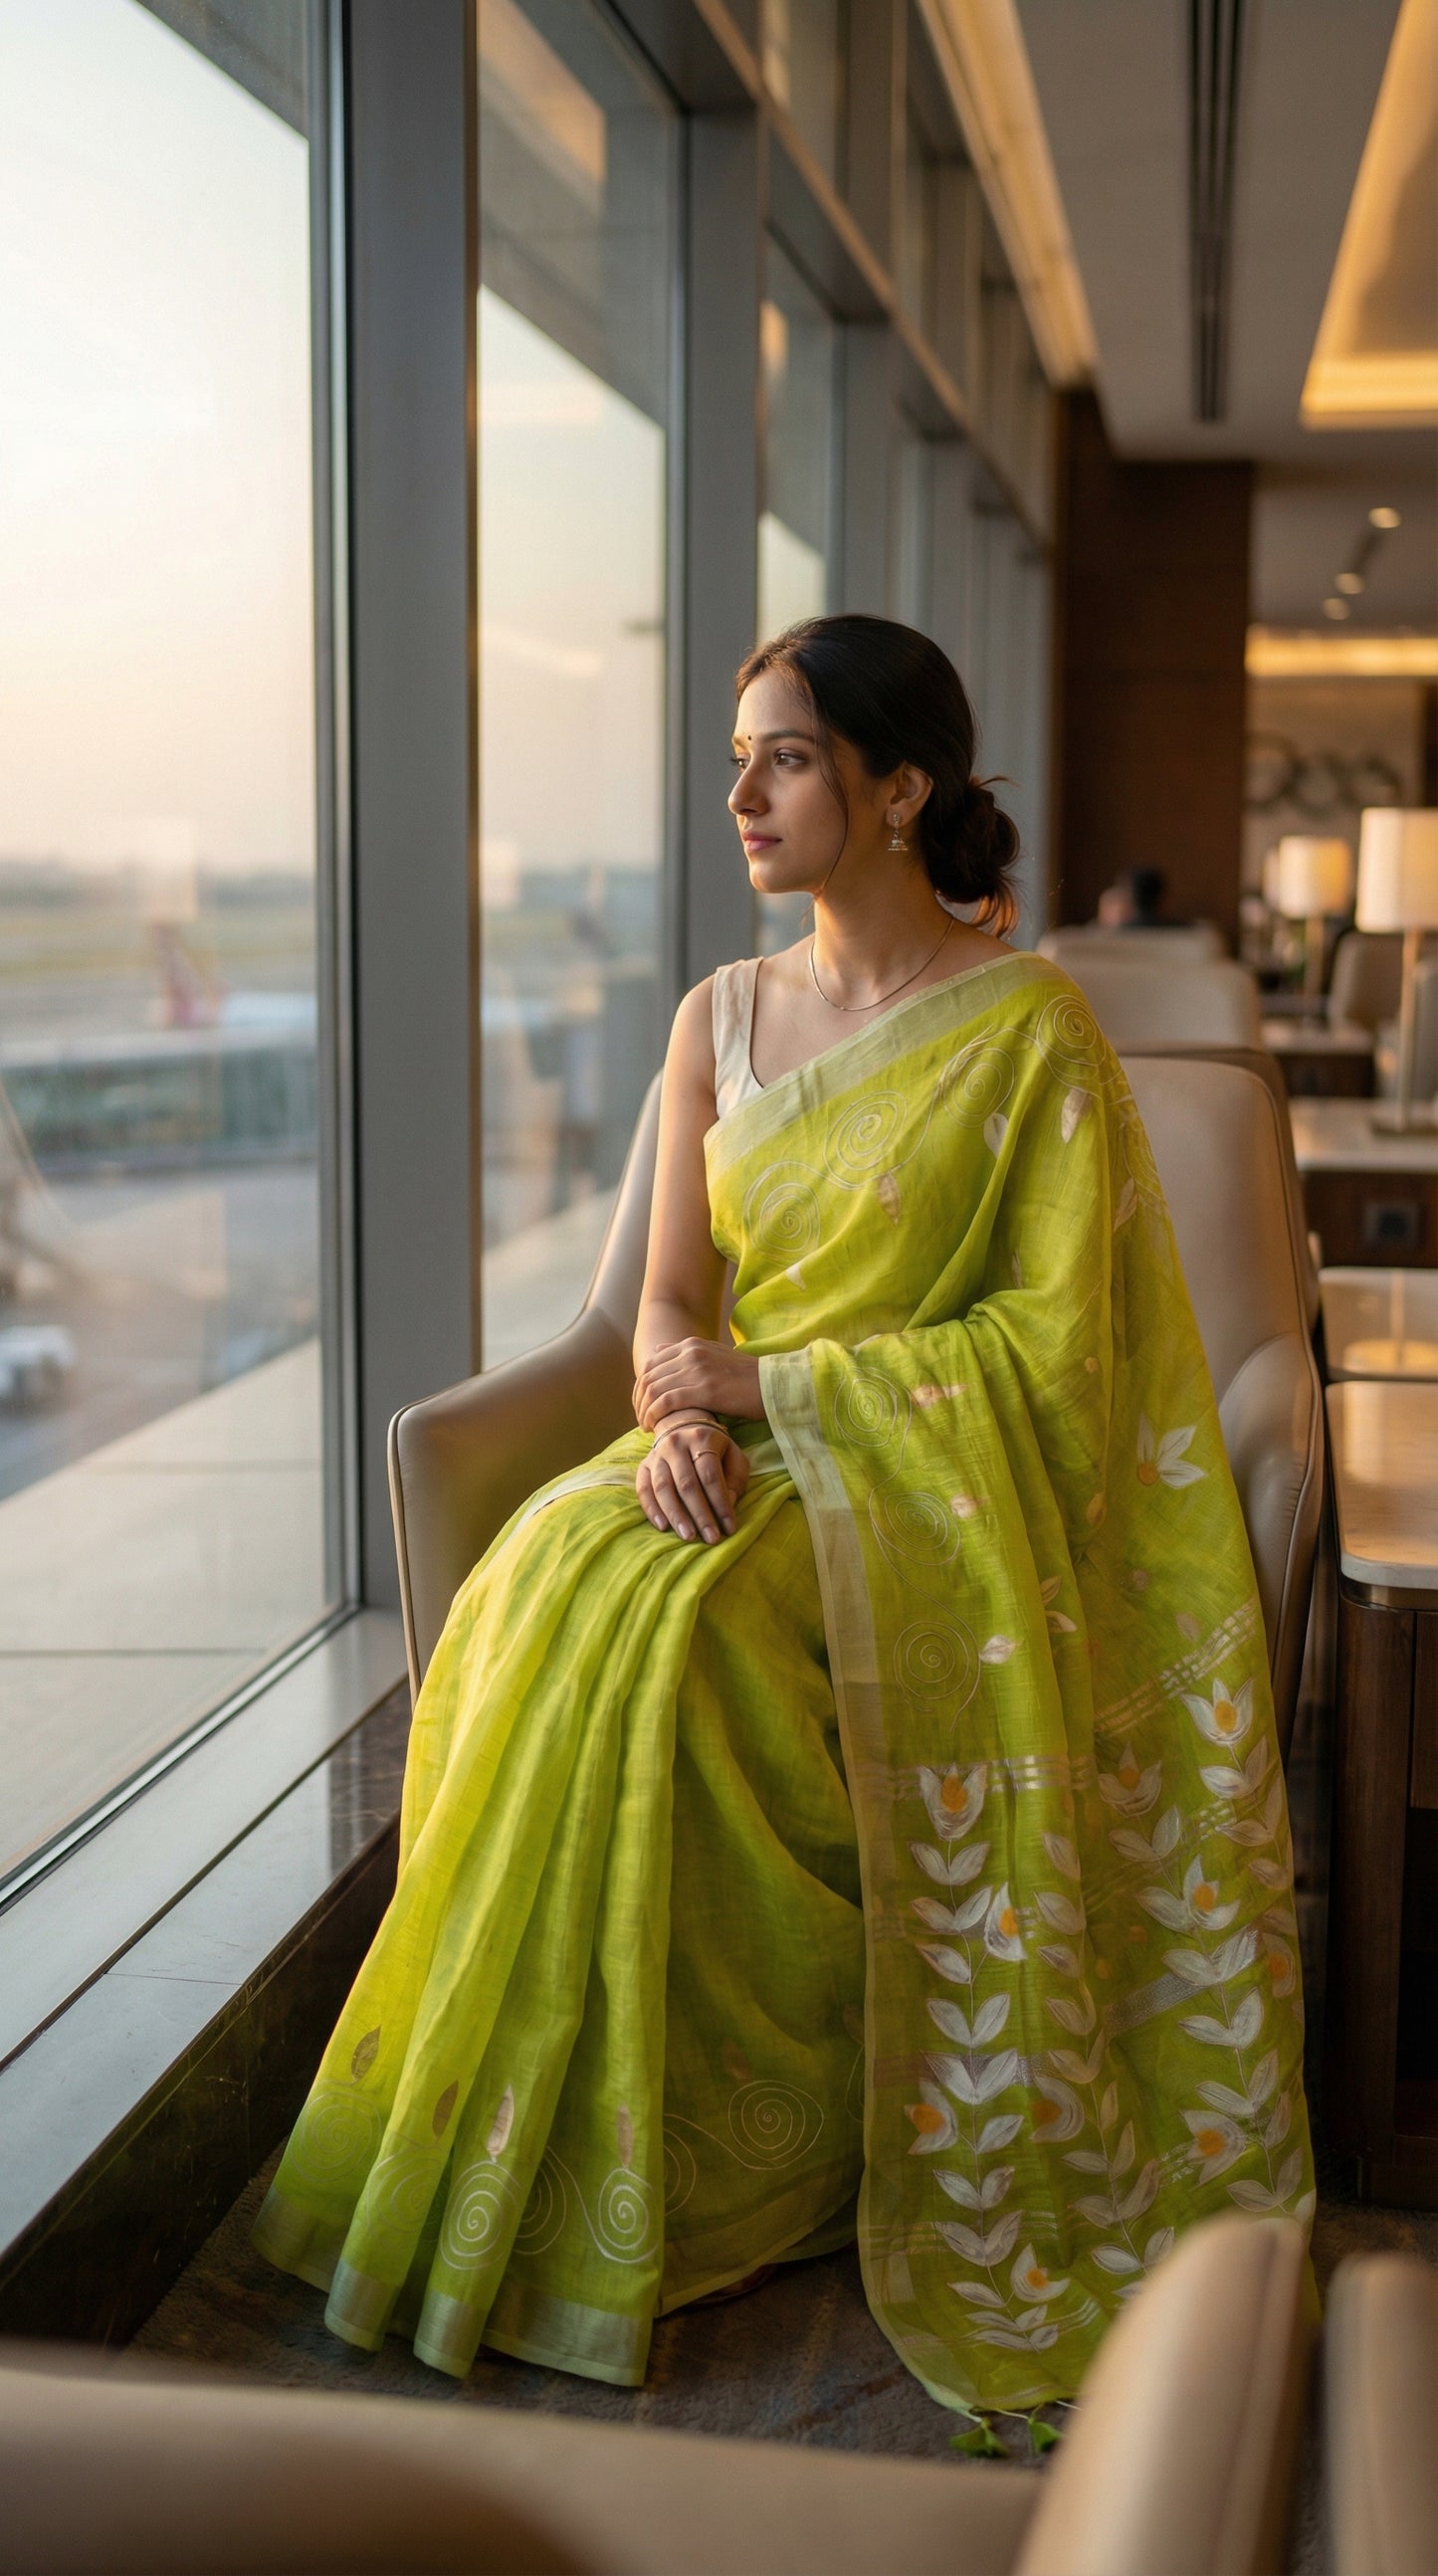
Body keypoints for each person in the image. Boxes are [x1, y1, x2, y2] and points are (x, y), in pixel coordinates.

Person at [255, 614, 1313, 2427]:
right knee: (546, 1583)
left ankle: (767, 2151)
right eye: (740, 755)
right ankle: (549, 2149)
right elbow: (667, 1301)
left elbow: (1056, 1359)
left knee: (682, 1648)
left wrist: (776, 1396)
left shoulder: (1027, 1028)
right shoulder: (714, 1019)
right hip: (726, 1456)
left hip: (920, 1500)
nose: (742, 791)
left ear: (900, 790)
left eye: (789, 756)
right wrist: (677, 1406)